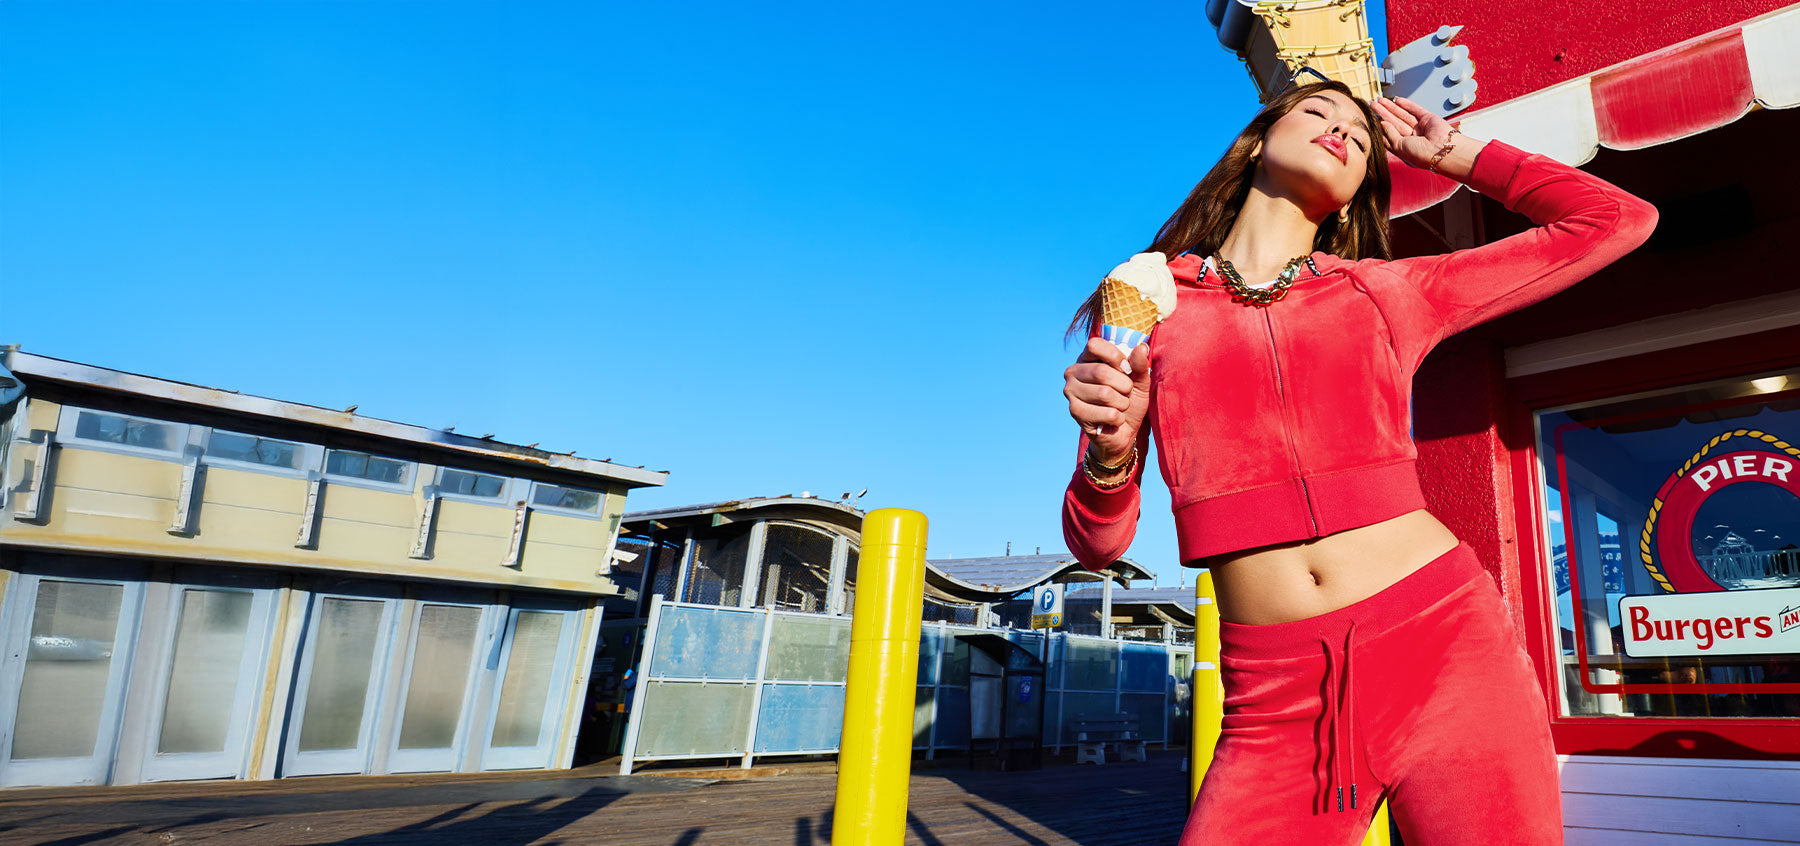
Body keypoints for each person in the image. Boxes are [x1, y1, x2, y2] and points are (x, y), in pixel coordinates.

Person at [1060, 77, 1657, 845]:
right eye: (1318, 111)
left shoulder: (1388, 293)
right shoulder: (1149, 306)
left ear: (1353, 195)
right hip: (1276, 697)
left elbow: (1615, 219)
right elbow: (1098, 544)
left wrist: (1451, 153)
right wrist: (1110, 452)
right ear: (1255, 144)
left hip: (1445, 648)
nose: (1342, 128)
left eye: (1361, 134)